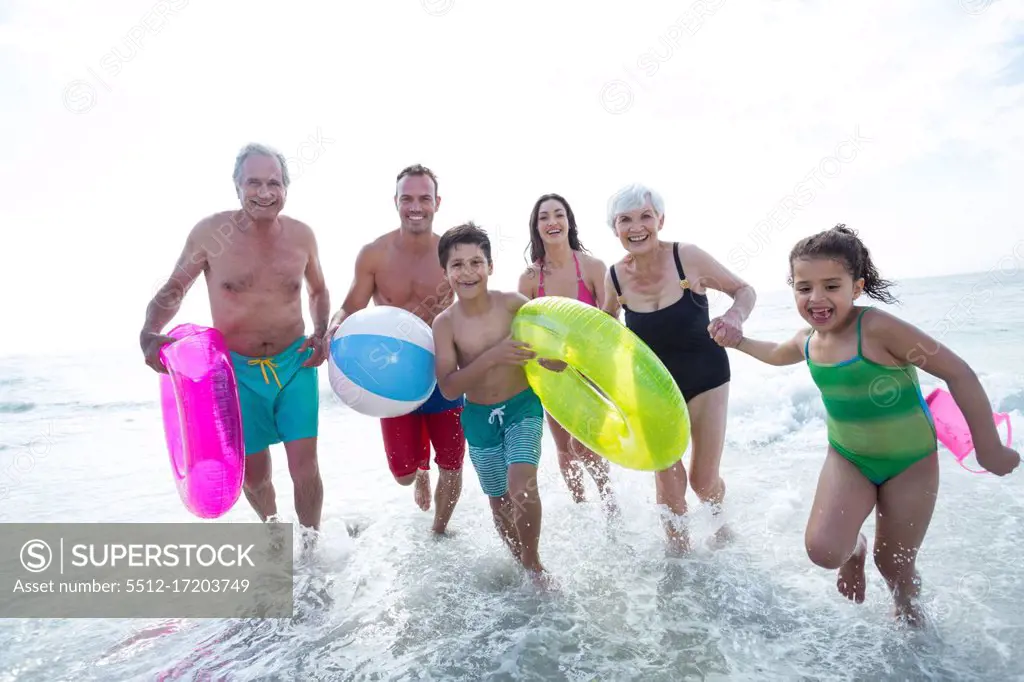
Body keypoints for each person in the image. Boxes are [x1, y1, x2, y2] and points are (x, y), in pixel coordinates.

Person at [718, 223, 1020, 625]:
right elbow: (776, 352)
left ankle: (910, 616)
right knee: (824, 551)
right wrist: (736, 340)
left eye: (831, 285)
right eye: (803, 287)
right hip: (848, 458)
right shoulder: (808, 340)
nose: (817, 298)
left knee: (894, 565)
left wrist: (989, 447)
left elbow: (958, 372)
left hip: (910, 463)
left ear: (856, 287)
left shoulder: (877, 328)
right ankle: (853, 549)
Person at [140, 143, 329, 534]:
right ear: (237, 186)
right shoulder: (211, 233)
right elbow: (175, 287)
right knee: (254, 475)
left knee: (304, 467)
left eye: (274, 183)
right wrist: (149, 332)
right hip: (237, 373)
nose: (264, 192)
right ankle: (276, 535)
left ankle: (312, 546)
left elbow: (318, 291)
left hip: (294, 364)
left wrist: (321, 332)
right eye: (254, 183)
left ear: (285, 188)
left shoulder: (301, 236)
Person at [601, 183, 757, 554]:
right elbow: (604, 330)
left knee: (702, 482)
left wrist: (734, 316)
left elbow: (744, 290)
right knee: (668, 480)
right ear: (615, 228)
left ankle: (721, 523)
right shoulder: (615, 276)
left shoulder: (687, 257)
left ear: (661, 220)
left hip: (706, 377)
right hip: (652, 385)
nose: (636, 226)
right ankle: (680, 557)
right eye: (625, 220)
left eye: (645, 216)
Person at [323, 164, 464, 535]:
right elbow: (351, 305)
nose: (415, 206)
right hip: (391, 378)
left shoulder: (452, 253)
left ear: (437, 202)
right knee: (402, 475)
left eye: (424, 198)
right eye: (407, 199)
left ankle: (439, 533)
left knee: (452, 462)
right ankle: (418, 471)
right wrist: (335, 323)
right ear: (396, 202)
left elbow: (473, 304)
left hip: (443, 371)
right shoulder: (374, 254)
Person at [432, 222, 551, 581]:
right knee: (498, 498)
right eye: (457, 265)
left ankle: (535, 564)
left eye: (476, 262)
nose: (467, 272)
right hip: (479, 417)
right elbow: (450, 388)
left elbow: (552, 347)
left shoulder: (514, 304)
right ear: (446, 272)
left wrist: (559, 363)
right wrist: (494, 356)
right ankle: (520, 563)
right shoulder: (445, 324)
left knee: (521, 485)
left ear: (490, 266)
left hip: (522, 407)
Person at [517, 193, 616, 509]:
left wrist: (582, 356)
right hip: (550, 371)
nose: (552, 222)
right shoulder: (530, 278)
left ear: (569, 222)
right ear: (536, 227)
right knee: (563, 446)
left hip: (591, 368)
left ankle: (609, 499)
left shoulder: (592, 267)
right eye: (543, 217)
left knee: (585, 440)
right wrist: (542, 358)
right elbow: (521, 333)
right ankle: (581, 506)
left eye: (558, 214)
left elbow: (612, 319)